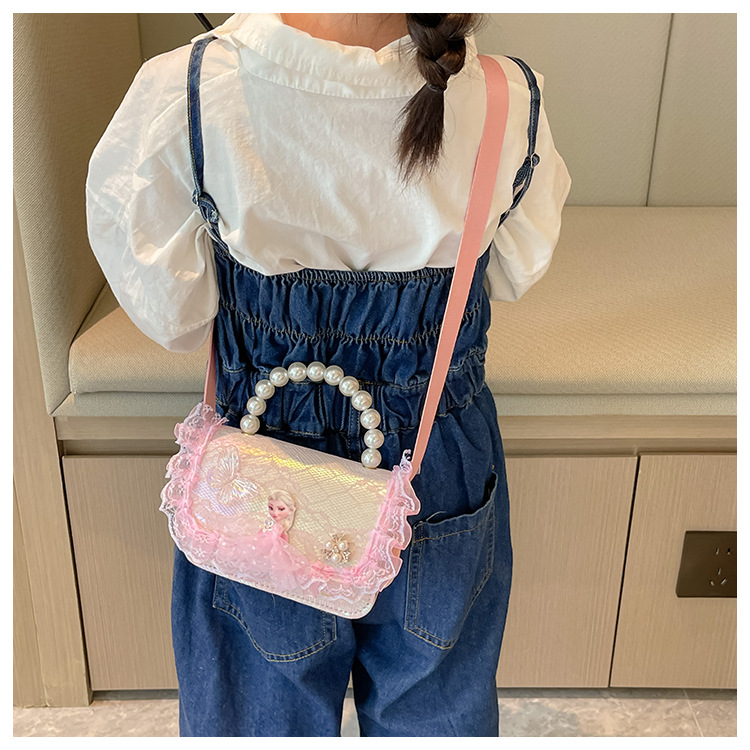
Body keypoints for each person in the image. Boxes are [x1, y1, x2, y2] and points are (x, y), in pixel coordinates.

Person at [86, 12, 571, 737]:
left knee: (253, 719)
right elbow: (514, 272)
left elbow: (175, 317)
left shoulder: (186, 90)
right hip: (437, 463)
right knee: (434, 714)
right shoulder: (508, 97)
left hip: (263, 461)